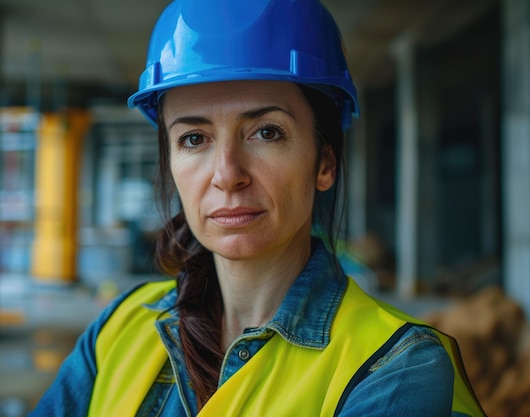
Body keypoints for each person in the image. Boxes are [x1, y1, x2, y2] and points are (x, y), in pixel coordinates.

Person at [30, 0, 486, 416]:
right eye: (194, 139)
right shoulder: (118, 330)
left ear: (324, 162)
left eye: (266, 132)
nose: (227, 174)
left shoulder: (396, 366)